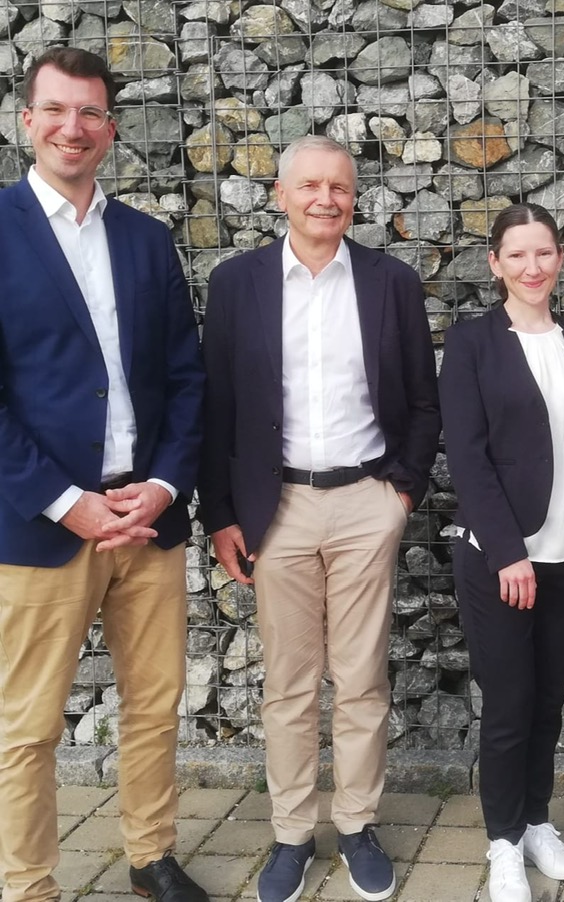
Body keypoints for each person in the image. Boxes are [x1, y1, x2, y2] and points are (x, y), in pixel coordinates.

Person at [198, 135, 440, 902]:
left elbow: (423, 401)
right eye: (310, 186)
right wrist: (222, 513)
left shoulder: (389, 282)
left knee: (363, 678)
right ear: (280, 195)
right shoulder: (236, 284)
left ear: (354, 198)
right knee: (289, 683)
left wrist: (400, 495)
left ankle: (358, 823)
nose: (325, 199)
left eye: (339, 187)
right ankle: (292, 834)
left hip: (367, 500)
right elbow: (217, 406)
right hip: (278, 508)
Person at [0, 48, 207, 902]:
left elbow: (186, 377)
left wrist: (164, 485)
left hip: (147, 515)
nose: (72, 128)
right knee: (28, 725)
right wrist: (66, 502)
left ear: (111, 129)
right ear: (26, 120)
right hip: (41, 522)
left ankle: (151, 856)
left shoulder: (145, 239)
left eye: (89, 112)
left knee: (155, 704)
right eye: (55, 110)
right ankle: (28, 884)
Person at [439, 203, 564, 902]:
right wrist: (508, 551)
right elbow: (468, 456)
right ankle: (503, 842)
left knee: (547, 702)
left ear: (561, 258)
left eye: (543, 252)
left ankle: (538, 820)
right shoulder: (471, 344)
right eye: (516, 254)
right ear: (495, 264)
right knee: (510, 705)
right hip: (501, 561)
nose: (532, 266)